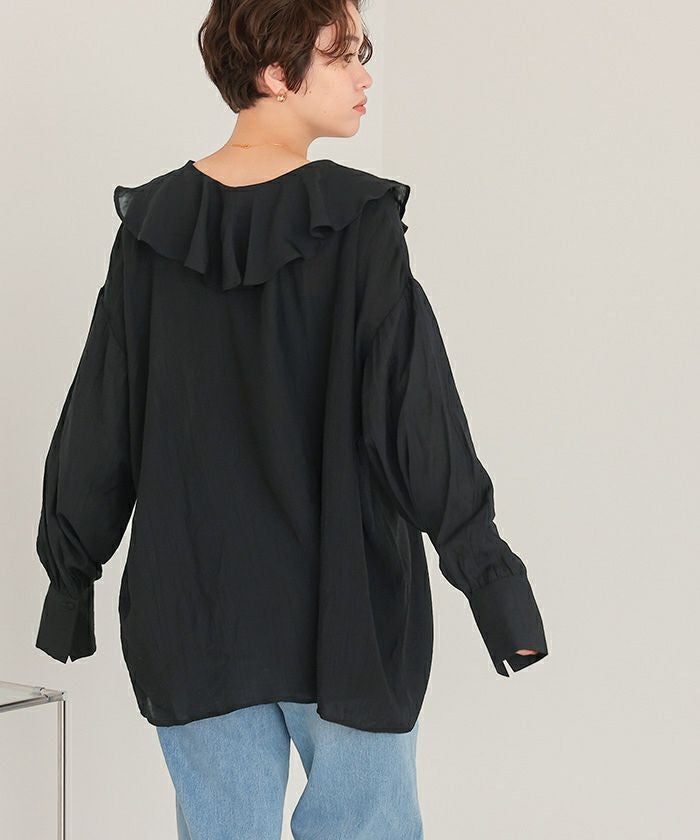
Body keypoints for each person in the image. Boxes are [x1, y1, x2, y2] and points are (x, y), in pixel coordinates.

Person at [33, 1, 548, 838]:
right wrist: (494, 586)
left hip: (194, 611)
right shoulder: (359, 224)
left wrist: (69, 581)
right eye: (343, 56)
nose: (365, 76)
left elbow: (99, 423)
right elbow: (417, 419)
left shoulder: (154, 229)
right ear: (277, 74)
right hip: (346, 616)